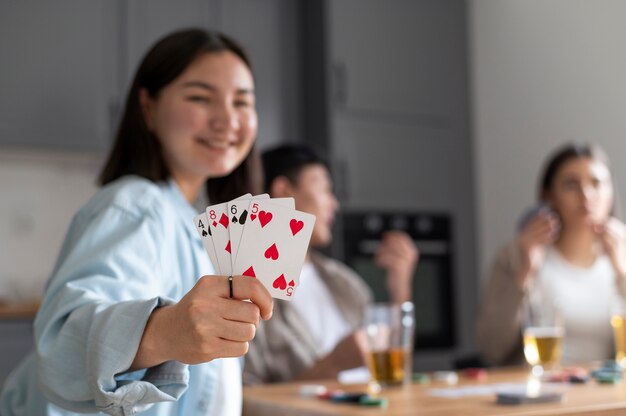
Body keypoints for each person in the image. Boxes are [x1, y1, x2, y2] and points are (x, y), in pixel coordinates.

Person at [0, 28, 274, 415]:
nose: (227, 120)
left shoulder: (193, 221)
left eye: (242, 102)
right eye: (200, 97)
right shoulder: (135, 205)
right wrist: (164, 331)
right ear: (148, 108)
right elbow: (63, 343)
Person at [243, 144, 418, 384]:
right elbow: (247, 403)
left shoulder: (346, 283)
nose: (334, 204)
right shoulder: (245, 294)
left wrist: (400, 290)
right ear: (283, 191)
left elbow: (393, 368)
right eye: (325, 190)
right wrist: (333, 364)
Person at [476, 143, 626, 366]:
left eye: (597, 183)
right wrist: (525, 272)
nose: (586, 195)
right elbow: (492, 349)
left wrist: (622, 272)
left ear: (611, 192)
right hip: (539, 393)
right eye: (571, 184)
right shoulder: (516, 255)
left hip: (605, 396)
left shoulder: (622, 254)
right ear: (549, 196)